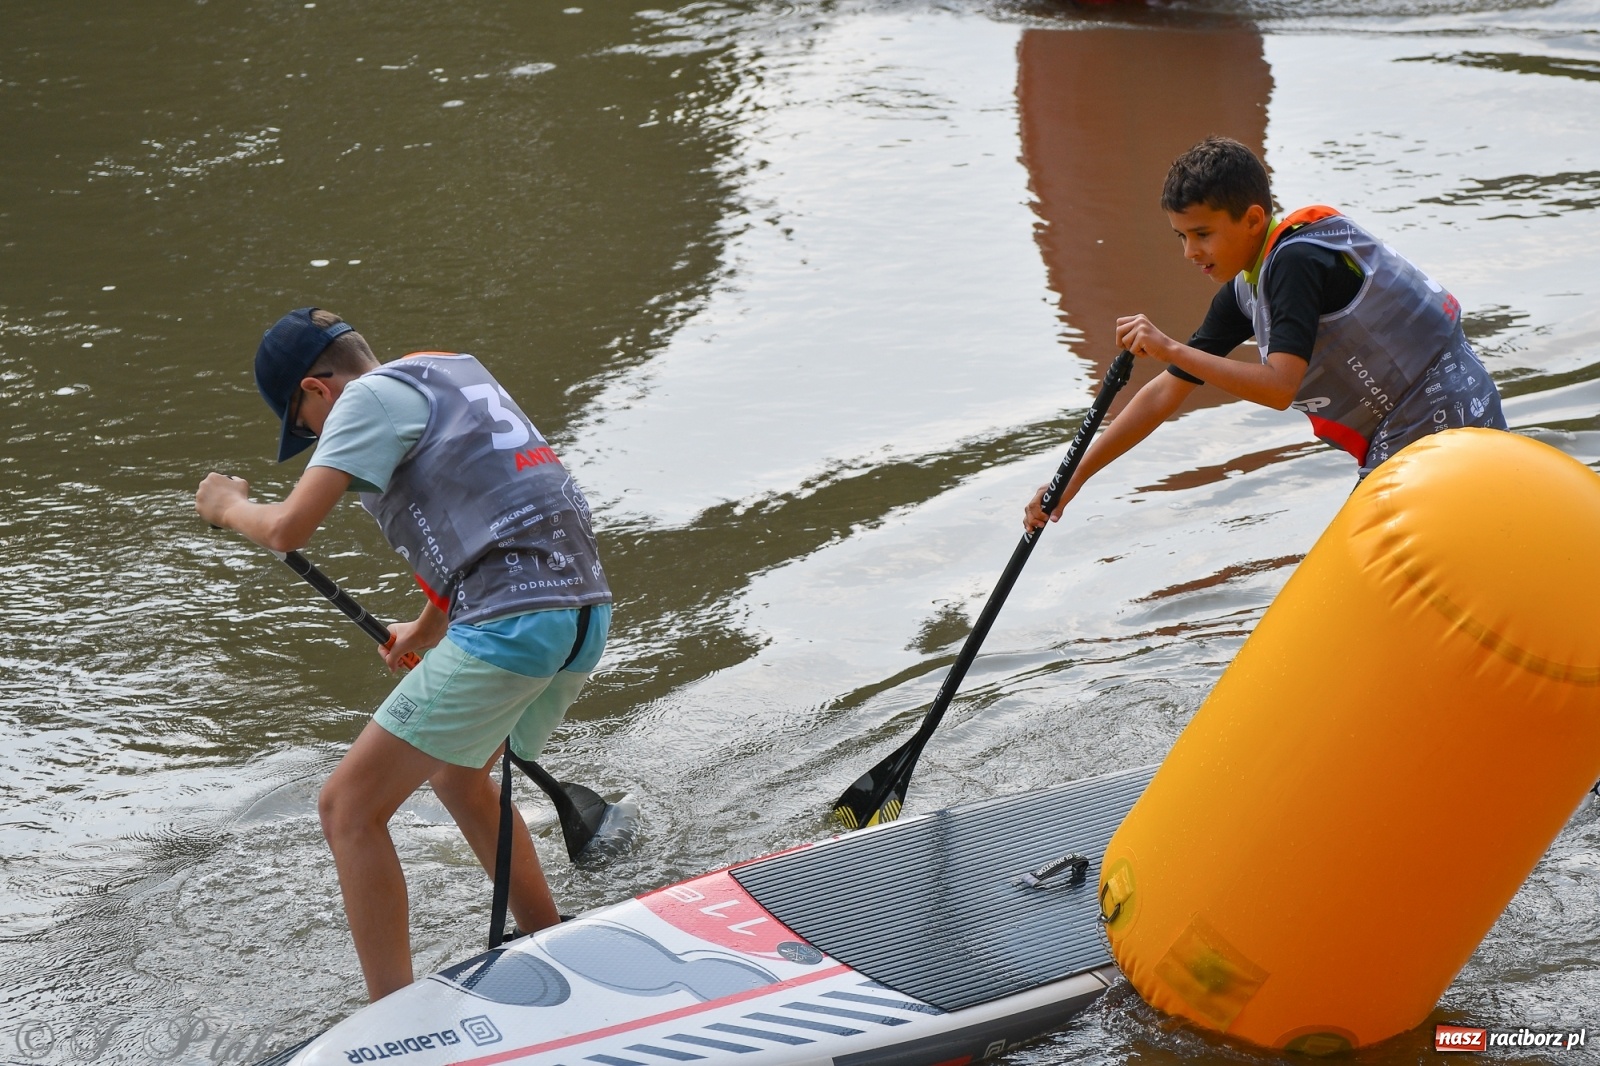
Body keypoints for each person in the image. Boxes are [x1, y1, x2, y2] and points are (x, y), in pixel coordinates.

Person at [194, 308, 612, 1002]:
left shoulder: (360, 399)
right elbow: (499, 513)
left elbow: (288, 527)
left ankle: (393, 1018)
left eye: (307, 430)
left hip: (510, 625)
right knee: (457, 777)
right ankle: (546, 932)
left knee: (347, 809)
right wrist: (425, 628)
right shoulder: (451, 372)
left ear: (317, 390)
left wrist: (228, 507)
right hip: (579, 613)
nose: (324, 447)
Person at [1025, 136, 1506, 531]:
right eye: (1182, 236)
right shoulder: (1243, 290)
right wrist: (1072, 479)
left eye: (1202, 233)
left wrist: (1171, 347)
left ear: (1254, 219)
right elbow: (1164, 393)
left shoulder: (1295, 263)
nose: (1190, 252)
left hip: (1440, 421)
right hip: (1410, 431)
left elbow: (1279, 387)